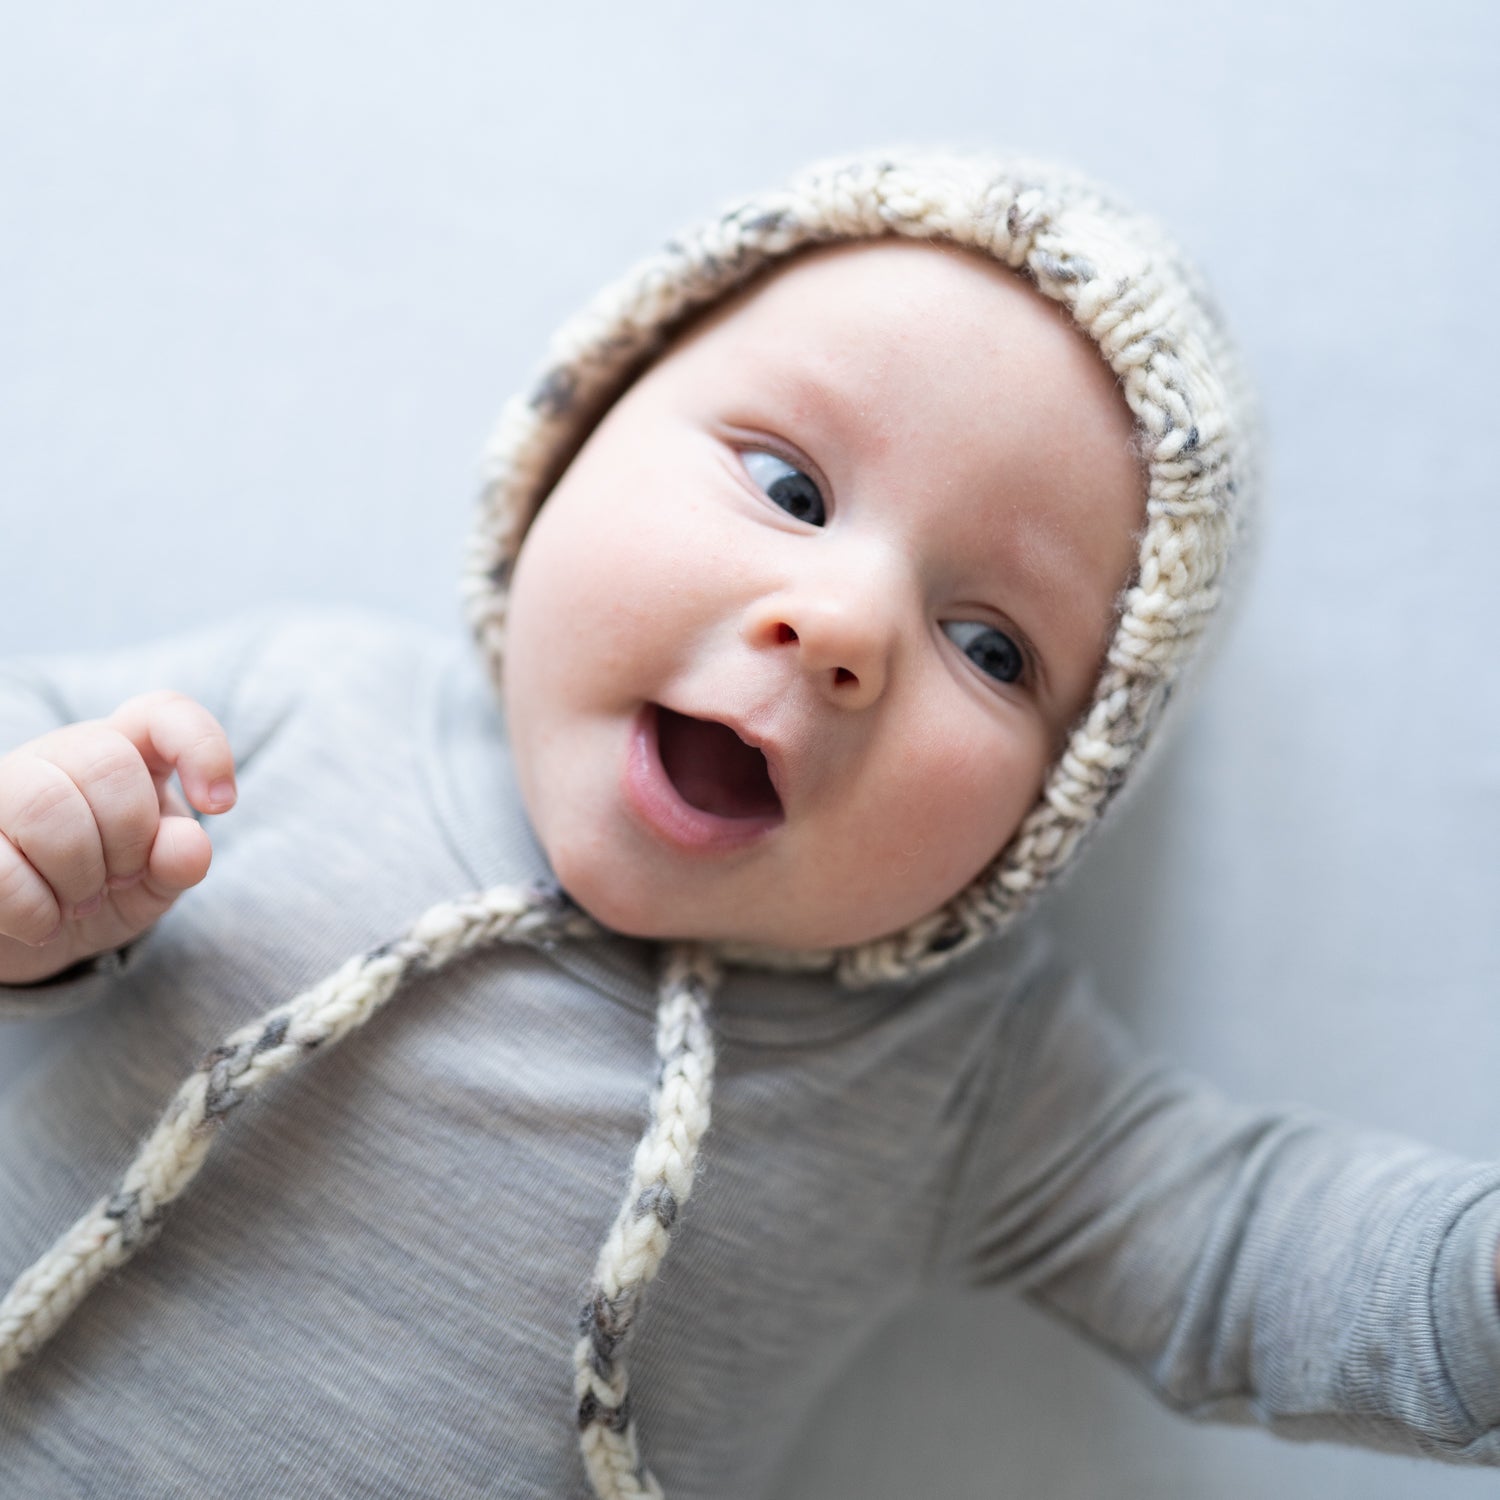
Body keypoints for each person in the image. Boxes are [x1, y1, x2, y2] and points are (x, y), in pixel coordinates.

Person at [0, 153, 1496, 1498]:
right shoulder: (288, 709)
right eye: (788, 485)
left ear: (1056, 808)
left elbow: (1253, 1248)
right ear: (578, 430)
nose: (842, 624)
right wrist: (39, 871)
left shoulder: (959, 1067)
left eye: (992, 649)